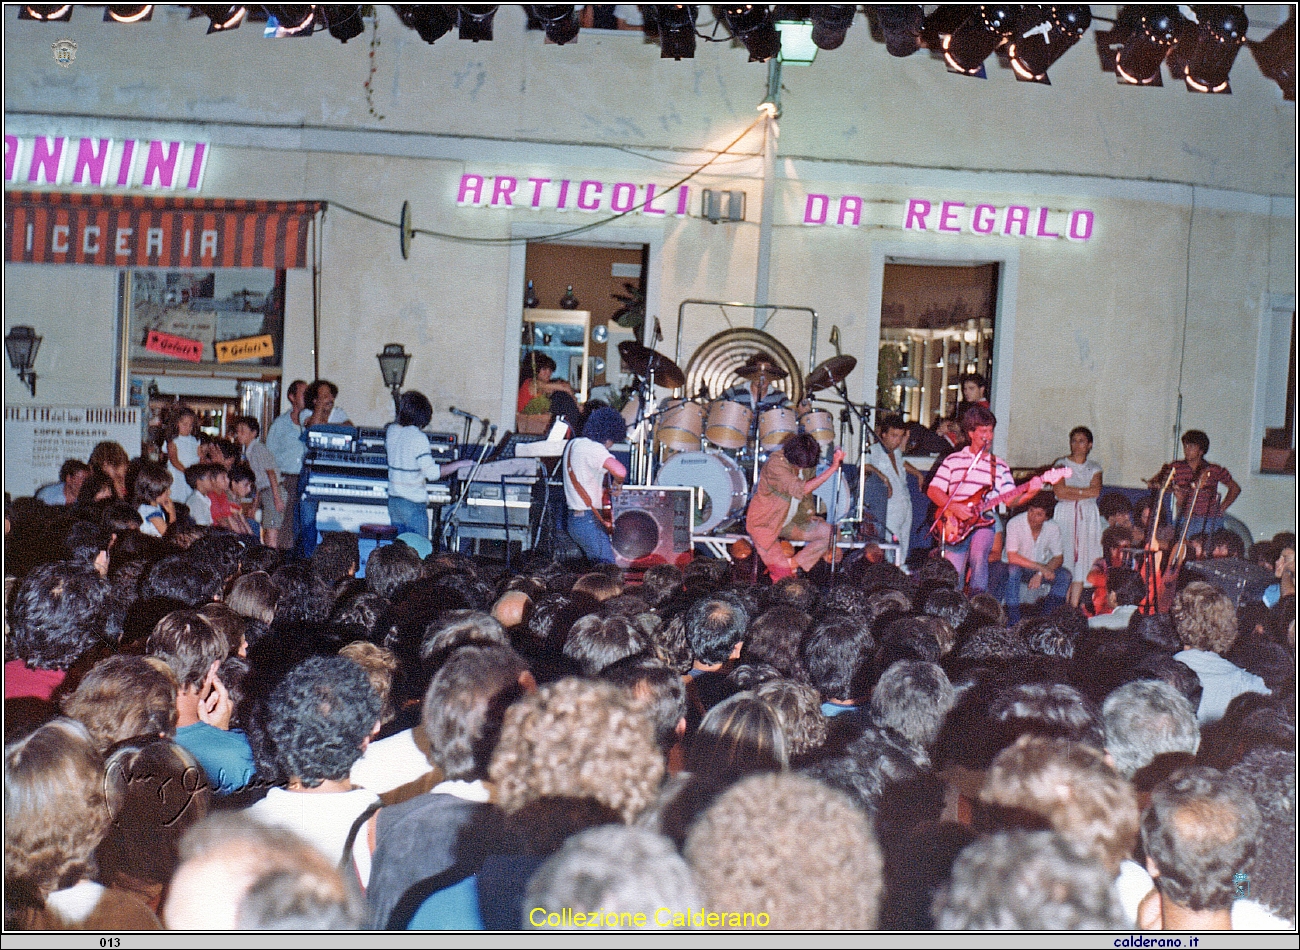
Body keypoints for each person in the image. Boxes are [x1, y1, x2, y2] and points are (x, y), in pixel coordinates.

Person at [926, 405, 1015, 593]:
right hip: (955, 523)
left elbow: (1011, 500)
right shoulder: (953, 460)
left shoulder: (999, 466)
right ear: (971, 433)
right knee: (953, 574)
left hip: (983, 520)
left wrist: (1031, 489)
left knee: (979, 556)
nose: (989, 436)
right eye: (984, 431)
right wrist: (956, 507)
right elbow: (933, 490)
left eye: (991, 431)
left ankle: (977, 604)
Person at [746, 432, 845, 583]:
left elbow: (807, 493)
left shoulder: (804, 461)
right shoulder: (775, 464)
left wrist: (808, 512)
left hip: (791, 521)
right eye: (799, 465)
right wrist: (833, 468)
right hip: (765, 524)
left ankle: (794, 564)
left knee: (832, 533)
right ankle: (784, 574)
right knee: (783, 577)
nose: (802, 469)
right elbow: (801, 489)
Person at [385, 390, 464, 541]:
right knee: (419, 552)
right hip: (412, 504)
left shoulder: (391, 431)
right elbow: (432, 474)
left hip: (394, 502)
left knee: (400, 552)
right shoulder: (418, 437)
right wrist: (459, 464)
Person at [1146, 429, 1240, 543]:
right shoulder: (1175, 467)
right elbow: (1154, 483)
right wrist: (1168, 489)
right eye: (1185, 446)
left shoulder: (1213, 469)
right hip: (1185, 519)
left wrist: (1221, 509)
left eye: (1191, 446)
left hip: (1209, 520)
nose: (1186, 450)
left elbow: (1235, 488)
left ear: (1201, 450)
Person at [562, 405, 628, 564]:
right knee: (608, 571)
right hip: (588, 520)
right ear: (610, 436)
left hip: (575, 519)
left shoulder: (575, 444)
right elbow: (620, 471)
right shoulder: (594, 449)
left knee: (598, 569)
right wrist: (618, 483)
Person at [1053, 426, 1104, 608]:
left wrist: (1071, 491)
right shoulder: (1061, 464)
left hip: (1087, 517)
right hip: (1065, 515)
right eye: (1073, 440)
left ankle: (1072, 607)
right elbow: (1060, 492)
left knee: (1082, 559)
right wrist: (1084, 492)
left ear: (1089, 445)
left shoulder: (1094, 468)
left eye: (1081, 441)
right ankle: (1060, 604)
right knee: (1066, 556)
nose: (1076, 444)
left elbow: (1096, 491)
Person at [1002, 493, 1071, 624]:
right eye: (1031, 511)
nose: (1032, 516)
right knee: (1013, 570)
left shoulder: (1053, 527)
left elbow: (1058, 557)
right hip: (1018, 567)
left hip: (1040, 569)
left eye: (1039, 514)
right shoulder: (1015, 523)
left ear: (1046, 518)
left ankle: (1047, 620)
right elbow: (1012, 557)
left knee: (1065, 576)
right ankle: (1013, 620)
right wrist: (1041, 568)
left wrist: (1040, 573)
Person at [863, 413, 921, 564]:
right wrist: (882, 477)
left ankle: (901, 572)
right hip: (889, 506)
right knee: (890, 546)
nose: (898, 440)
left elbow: (902, 464)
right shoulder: (873, 451)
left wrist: (918, 474)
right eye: (894, 435)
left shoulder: (896, 452)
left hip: (905, 503)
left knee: (904, 544)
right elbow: (863, 466)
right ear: (884, 434)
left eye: (900, 436)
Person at [266, 379, 308, 550]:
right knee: (285, 527)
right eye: (303, 393)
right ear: (292, 397)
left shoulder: (312, 423)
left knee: (304, 527)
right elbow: (268, 459)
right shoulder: (280, 425)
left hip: (307, 479)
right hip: (287, 480)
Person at [232, 415, 284, 548]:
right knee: (266, 531)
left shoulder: (258, 449)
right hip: (267, 492)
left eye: (243, 431)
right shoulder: (250, 451)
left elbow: (271, 473)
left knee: (271, 533)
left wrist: (276, 498)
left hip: (273, 491)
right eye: (238, 431)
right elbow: (259, 483)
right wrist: (255, 506)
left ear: (253, 433)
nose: (239, 434)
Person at [720, 352, 790, 412]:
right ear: (751, 374)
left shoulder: (779, 396)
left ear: (773, 376)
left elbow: (792, 411)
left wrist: (798, 409)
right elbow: (713, 408)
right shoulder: (734, 392)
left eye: (767, 374)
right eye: (758, 373)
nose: (762, 377)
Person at [166, 406, 201, 504]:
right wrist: (187, 472)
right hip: (178, 475)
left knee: (190, 500)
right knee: (177, 500)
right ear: (177, 423)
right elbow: (174, 460)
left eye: (191, 425)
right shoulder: (173, 441)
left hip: (192, 477)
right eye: (184, 424)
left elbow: (200, 457)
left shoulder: (195, 440)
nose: (188, 428)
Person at [132, 461, 174, 538]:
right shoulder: (152, 513)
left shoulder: (149, 507)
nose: (169, 492)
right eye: (166, 491)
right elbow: (170, 537)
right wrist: (172, 514)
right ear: (155, 493)